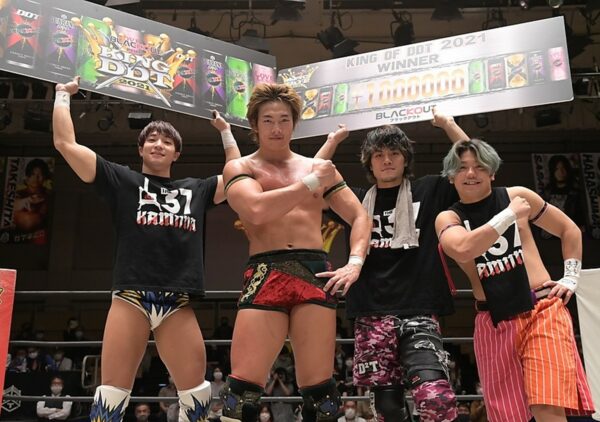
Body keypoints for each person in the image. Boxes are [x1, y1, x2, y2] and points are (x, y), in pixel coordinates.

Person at [52, 76, 241, 422]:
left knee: (198, 396)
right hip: (131, 297)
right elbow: (65, 143)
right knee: (111, 396)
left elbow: (237, 178)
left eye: (167, 141)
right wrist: (63, 95)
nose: (158, 144)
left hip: (177, 301)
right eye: (151, 139)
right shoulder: (122, 180)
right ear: (140, 149)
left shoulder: (195, 189)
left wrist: (226, 132)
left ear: (176, 153)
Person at [218, 83, 371, 422]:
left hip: (313, 271)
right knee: (240, 396)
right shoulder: (240, 167)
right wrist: (312, 183)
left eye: (284, 120)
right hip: (265, 270)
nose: (276, 128)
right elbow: (256, 210)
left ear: (294, 124)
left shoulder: (317, 168)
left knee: (321, 396)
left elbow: (360, 215)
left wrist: (355, 262)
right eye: (268, 120)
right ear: (254, 125)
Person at [315, 109, 468, 422]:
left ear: (405, 159)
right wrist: (333, 140)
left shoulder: (428, 190)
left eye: (394, 153)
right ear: (369, 162)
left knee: (436, 399)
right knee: (387, 408)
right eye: (379, 155)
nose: (387, 160)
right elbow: (310, 179)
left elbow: (470, 165)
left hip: (419, 310)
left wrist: (448, 124)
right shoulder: (354, 201)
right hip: (371, 312)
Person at [435, 139, 595, 422]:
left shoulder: (516, 195)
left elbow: (569, 229)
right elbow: (462, 248)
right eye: (462, 168)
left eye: (480, 166)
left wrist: (571, 277)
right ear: (450, 176)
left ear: (492, 172)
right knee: (507, 416)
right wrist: (508, 216)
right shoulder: (448, 218)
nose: (471, 173)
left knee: (547, 406)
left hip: (542, 311)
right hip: (493, 321)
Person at [13, 158, 51, 233]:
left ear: (44, 178)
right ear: (27, 176)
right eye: (33, 174)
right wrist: (27, 200)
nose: (36, 178)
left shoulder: (48, 195)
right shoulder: (19, 193)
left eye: (40, 175)